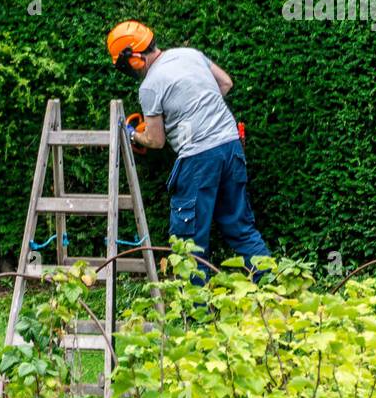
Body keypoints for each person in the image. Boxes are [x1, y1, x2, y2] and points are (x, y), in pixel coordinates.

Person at [106, 20, 270, 285]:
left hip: (199, 160)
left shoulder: (150, 86)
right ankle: (276, 290)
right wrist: (195, 110)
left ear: (134, 59)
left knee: (189, 243)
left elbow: (156, 140)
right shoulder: (189, 54)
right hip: (230, 146)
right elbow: (226, 83)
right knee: (241, 228)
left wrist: (131, 133)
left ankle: (195, 316)